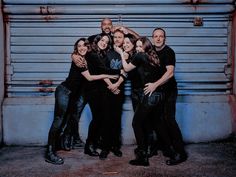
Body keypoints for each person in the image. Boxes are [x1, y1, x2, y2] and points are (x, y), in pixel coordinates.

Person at [45, 38, 117, 165]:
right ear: (76, 48)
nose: (82, 47)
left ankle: (63, 143)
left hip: (72, 94)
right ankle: (49, 152)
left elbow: (96, 71)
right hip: (64, 91)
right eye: (79, 46)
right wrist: (108, 75)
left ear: (88, 47)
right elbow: (89, 78)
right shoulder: (79, 60)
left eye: (84, 45)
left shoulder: (87, 58)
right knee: (58, 120)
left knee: (67, 119)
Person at [115, 36, 165, 166]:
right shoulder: (151, 57)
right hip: (154, 95)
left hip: (147, 94)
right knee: (145, 122)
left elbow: (126, 69)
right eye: (136, 46)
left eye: (139, 46)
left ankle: (143, 156)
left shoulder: (139, 56)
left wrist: (120, 53)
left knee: (138, 123)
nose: (137, 48)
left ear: (145, 47)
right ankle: (148, 149)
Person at [143, 27, 188, 165]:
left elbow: (170, 73)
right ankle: (165, 147)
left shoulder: (169, 52)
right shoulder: (150, 51)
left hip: (169, 91)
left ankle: (181, 153)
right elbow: (139, 40)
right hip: (158, 92)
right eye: (155, 36)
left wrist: (154, 85)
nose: (158, 38)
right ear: (152, 38)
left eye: (160, 36)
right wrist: (125, 29)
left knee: (169, 119)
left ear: (164, 38)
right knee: (158, 120)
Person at [83, 34, 122, 157]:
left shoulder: (103, 53)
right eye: (102, 40)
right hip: (93, 91)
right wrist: (115, 78)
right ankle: (92, 146)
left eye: (106, 41)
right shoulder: (92, 54)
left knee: (104, 119)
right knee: (99, 119)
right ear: (97, 40)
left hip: (102, 91)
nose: (104, 42)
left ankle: (110, 146)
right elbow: (103, 71)